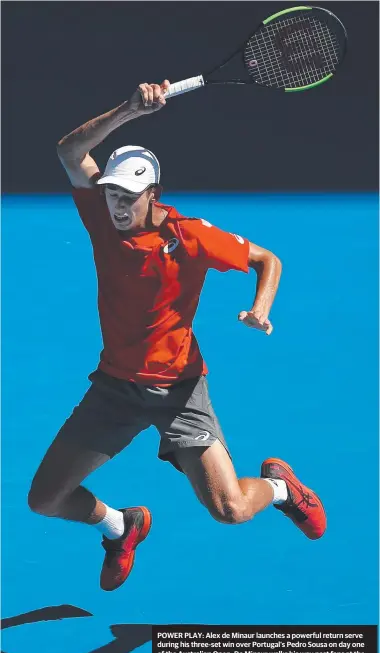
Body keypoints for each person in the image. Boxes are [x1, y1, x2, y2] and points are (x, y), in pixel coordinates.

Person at [28, 80, 327, 592]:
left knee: (230, 509)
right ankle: (121, 527)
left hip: (179, 390)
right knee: (46, 499)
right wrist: (127, 109)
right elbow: (68, 150)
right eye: (112, 194)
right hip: (115, 389)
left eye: (129, 196)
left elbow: (266, 259)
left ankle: (281, 488)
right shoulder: (103, 220)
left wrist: (260, 309)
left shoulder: (190, 238)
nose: (118, 206)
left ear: (154, 195)